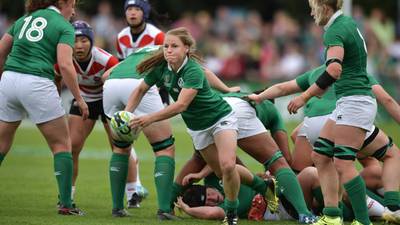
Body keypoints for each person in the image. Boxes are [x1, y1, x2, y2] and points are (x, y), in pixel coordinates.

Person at [253, 1, 397, 224]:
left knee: (343, 164)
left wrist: (305, 97)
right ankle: (332, 216)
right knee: (320, 156)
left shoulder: (335, 29)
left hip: (354, 102)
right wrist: (260, 96)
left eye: (313, 6)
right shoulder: (348, 24)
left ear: (324, 6)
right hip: (349, 103)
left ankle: (363, 220)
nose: (311, 13)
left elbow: (333, 69)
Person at [125, 27, 279, 225]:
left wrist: (148, 118)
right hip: (198, 129)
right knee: (223, 172)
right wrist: (127, 114)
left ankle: (231, 214)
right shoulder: (162, 68)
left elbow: (181, 105)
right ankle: (265, 187)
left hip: (220, 118)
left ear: (187, 49)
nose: (168, 50)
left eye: (174, 46)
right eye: (166, 46)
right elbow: (140, 90)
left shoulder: (192, 71)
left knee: (228, 165)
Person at [171, 91, 317, 224]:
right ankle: (316, 211)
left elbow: (208, 159)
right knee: (302, 166)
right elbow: (212, 213)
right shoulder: (224, 203)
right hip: (284, 207)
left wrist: (201, 173)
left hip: (283, 192)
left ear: (206, 186)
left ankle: (272, 190)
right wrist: (188, 209)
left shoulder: (213, 178)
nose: (212, 198)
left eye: (207, 194)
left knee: (291, 155)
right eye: (207, 202)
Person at [0, 0, 88, 215]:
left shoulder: (23, 20)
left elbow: (1, 51)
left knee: (1, 143)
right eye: (72, 4)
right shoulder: (62, 26)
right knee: (62, 145)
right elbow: (66, 65)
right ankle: (66, 205)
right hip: (37, 82)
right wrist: (80, 99)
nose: (74, 10)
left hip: (9, 79)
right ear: (62, 3)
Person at [101, 45, 177, 219]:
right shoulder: (171, 50)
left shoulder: (136, 53)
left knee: (120, 148)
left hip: (111, 86)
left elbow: (105, 76)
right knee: (164, 148)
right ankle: (165, 210)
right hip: (137, 84)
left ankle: (117, 208)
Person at [54, 20, 119, 203]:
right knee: (72, 147)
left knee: (118, 147)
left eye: (84, 40)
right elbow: (57, 77)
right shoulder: (64, 59)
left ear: (92, 41)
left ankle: (133, 190)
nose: (79, 45)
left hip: (108, 99)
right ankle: (68, 194)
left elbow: (118, 84)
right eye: (74, 40)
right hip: (84, 100)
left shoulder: (107, 60)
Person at [115, 0, 166, 204]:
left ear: (144, 13)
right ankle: (134, 188)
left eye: (137, 9)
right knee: (124, 138)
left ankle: (155, 191)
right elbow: (121, 64)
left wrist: (163, 93)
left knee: (160, 144)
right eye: (129, 9)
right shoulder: (120, 37)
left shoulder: (157, 36)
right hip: (128, 91)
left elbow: (165, 64)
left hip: (151, 90)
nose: (132, 13)